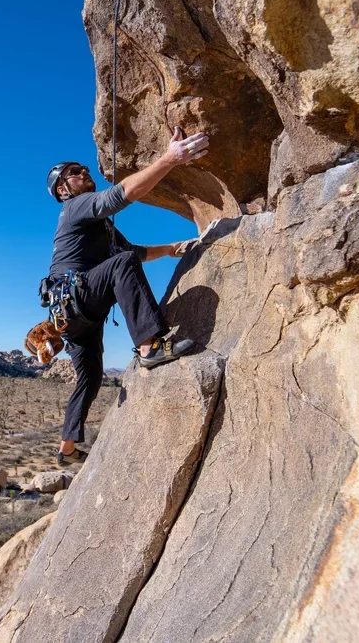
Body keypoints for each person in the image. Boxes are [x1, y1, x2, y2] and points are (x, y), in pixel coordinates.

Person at [44, 127, 209, 467]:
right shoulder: (76, 206)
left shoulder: (99, 226)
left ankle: (67, 446)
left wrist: (172, 249)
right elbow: (119, 197)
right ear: (63, 189)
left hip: (72, 314)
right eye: (75, 173)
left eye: (83, 168)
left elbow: (132, 251)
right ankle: (149, 346)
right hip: (79, 297)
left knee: (89, 376)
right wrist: (170, 159)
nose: (84, 172)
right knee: (121, 264)